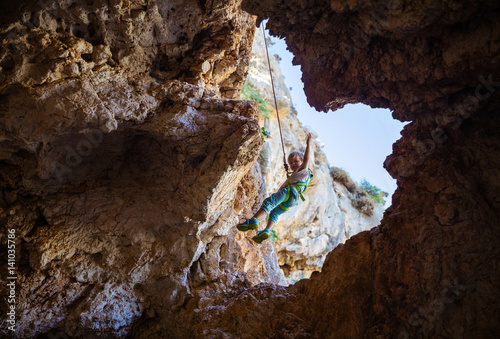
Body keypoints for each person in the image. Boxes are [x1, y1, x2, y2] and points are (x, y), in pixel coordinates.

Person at [237, 133, 313, 243]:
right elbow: (294, 174)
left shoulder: (303, 169)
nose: (293, 164)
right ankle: (267, 231)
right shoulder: (299, 175)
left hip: (288, 192)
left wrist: (308, 143)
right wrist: (289, 169)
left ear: (301, 162)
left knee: (269, 202)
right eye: (291, 162)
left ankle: (253, 220)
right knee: (275, 213)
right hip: (292, 200)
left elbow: (306, 158)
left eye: (296, 161)